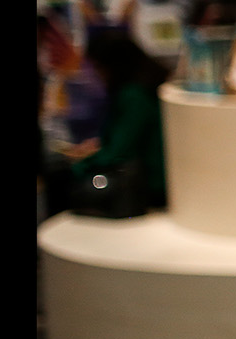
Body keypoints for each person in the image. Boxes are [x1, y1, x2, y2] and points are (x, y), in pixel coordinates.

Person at [65, 26, 171, 210]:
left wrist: (79, 166)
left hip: (150, 187)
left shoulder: (134, 96)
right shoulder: (145, 89)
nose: (97, 75)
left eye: (98, 67)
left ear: (112, 65)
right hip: (159, 184)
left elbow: (120, 152)